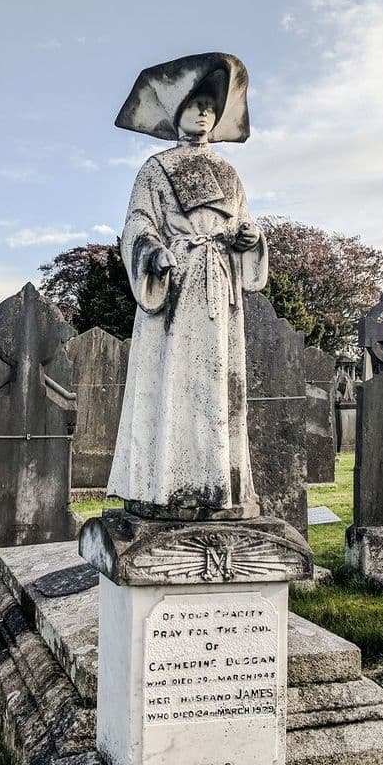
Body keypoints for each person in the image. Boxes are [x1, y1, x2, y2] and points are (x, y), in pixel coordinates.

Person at [107, 52, 267, 516]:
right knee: (175, 383)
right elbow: (137, 224)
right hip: (177, 286)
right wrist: (154, 251)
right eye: (195, 104)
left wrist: (250, 238)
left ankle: (220, 486)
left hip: (221, 288)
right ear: (176, 111)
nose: (204, 113)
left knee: (219, 387)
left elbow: (245, 224)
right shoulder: (155, 169)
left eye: (211, 108)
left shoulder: (229, 173)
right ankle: (169, 485)